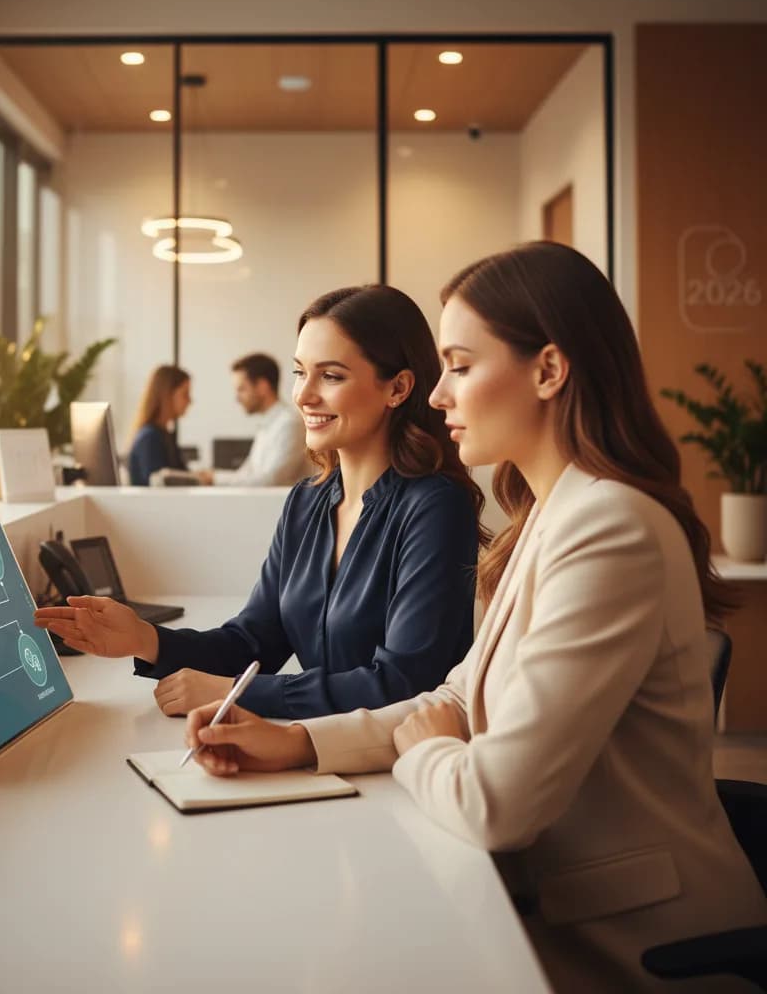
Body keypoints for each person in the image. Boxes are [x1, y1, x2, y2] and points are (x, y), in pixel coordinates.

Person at [180, 243, 767, 991]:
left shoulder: (610, 528)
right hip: (544, 914)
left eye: (458, 365)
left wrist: (427, 753)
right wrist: (293, 743)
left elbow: (496, 805)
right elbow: (456, 699)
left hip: (629, 951)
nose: (437, 394)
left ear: (549, 371)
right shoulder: (548, 515)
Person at [36, 284, 485, 720]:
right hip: (313, 754)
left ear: (398, 388)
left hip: (398, 766)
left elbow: (403, 683)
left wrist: (238, 693)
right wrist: (145, 638)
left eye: (330, 376)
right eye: (299, 372)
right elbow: (252, 641)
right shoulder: (307, 504)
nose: (304, 395)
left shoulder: (436, 507)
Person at [196, 352, 310, 487]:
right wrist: (212, 475)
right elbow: (247, 473)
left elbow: (271, 480)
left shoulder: (290, 423)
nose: (237, 398)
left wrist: (214, 478)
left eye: (241, 389)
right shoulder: (268, 424)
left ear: (262, 386)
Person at [128, 365, 191, 486]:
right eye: (185, 394)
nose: (190, 401)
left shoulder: (165, 435)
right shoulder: (149, 438)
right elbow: (159, 484)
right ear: (167, 395)